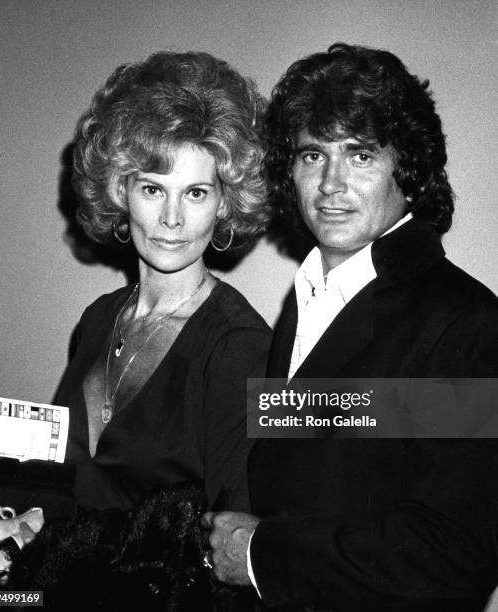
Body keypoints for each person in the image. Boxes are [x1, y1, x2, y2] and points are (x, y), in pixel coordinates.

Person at [204, 43, 498, 611]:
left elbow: (452, 552)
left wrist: (264, 555)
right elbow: (298, 471)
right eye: (313, 155)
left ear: (406, 169)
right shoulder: (305, 300)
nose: (331, 183)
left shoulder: (463, 323)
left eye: (360, 155)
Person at [53, 51, 271, 512]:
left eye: (195, 193)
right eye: (153, 189)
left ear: (225, 204)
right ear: (119, 190)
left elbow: (232, 538)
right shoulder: (97, 320)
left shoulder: (239, 346)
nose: (171, 219)